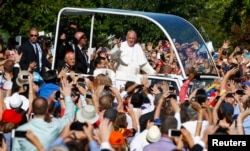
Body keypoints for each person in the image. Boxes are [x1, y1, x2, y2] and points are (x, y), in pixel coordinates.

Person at [12, 79, 75, 151]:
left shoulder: (20, 130)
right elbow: (69, 118)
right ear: (46, 110)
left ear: (32, 109)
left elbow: (15, 149)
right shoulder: (54, 126)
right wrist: (67, 96)